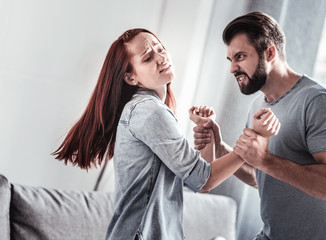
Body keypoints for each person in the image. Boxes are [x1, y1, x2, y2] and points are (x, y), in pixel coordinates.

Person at [52, 28, 280, 240]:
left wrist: (206, 134)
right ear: (131, 78)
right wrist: (252, 138)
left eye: (160, 49)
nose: (161, 58)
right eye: (148, 58)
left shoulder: (147, 109)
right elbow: (204, 181)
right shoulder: (148, 111)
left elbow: (199, 180)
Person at [193, 12, 326, 240]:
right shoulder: (257, 106)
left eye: (240, 56)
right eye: (231, 60)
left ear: (269, 53)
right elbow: (262, 178)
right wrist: (220, 147)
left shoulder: (318, 101)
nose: (232, 69)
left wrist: (266, 160)